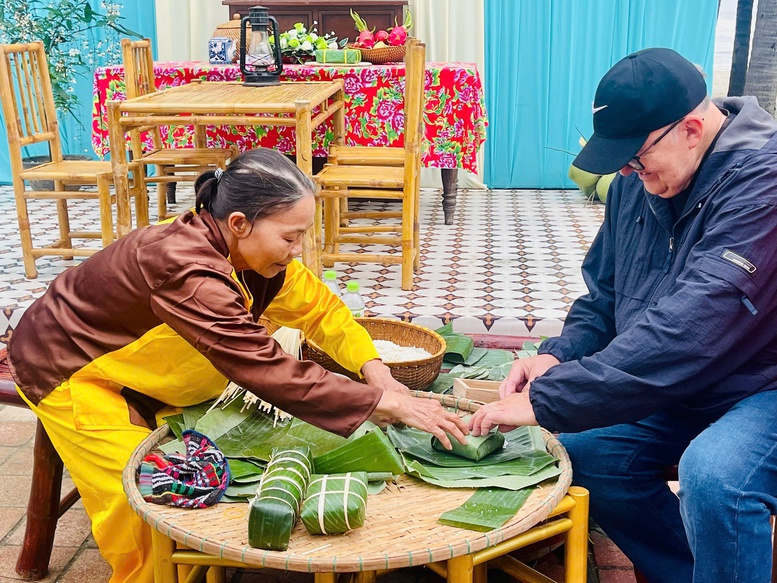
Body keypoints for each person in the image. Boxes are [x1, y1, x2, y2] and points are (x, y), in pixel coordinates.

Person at [8, 148, 468, 583]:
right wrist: (384, 404)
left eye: (301, 235)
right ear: (239, 223)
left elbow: (322, 312)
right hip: (68, 369)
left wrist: (375, 369)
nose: (297, 249)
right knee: (143, 500)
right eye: (289, 237)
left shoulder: (254, 255)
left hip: (144, 372)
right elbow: (264, 368)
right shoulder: (186, 270)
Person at [469, 47, 777, 582]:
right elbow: (604, 296)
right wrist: (558, 356)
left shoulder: (763, 187)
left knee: (716, 477)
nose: (630, 173)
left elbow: (692, 329)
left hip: (761, 385)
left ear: (690, 129)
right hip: (680, 383)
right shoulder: (639, 183)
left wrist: (547, 399)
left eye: (636, 158)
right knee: (589, 454)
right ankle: (690, 572)